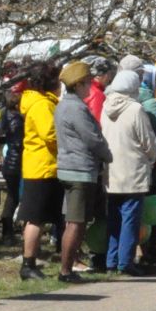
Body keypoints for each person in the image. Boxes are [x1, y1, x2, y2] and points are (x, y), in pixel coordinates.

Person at [53, 61, 111, 279]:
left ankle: (68, 266)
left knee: (74, 221)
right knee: (76, 223)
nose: (90, 86)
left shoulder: (65, 105)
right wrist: (107, 154)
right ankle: (66, 269)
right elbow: (91, 138)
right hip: (79, 170)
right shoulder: (76, 107)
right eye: (87, 82)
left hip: (70, 168)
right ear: (77, 85)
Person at [100, 66, 156, 276]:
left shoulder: (105, 107)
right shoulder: (135, 109)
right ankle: (126, 262)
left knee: (114, 218)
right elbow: (148, 140)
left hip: (111, 171)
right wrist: (152, 157)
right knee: (130, 219)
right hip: (133, 171)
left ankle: (111, 260)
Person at [15, 59, 62, 283]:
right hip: (41, 167)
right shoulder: (42, 104)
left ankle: (32, 259)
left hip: (41, 165)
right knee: (35, 219)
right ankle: (28, 264)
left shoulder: (40, 101)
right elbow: (50, 134)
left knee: (38, 219)